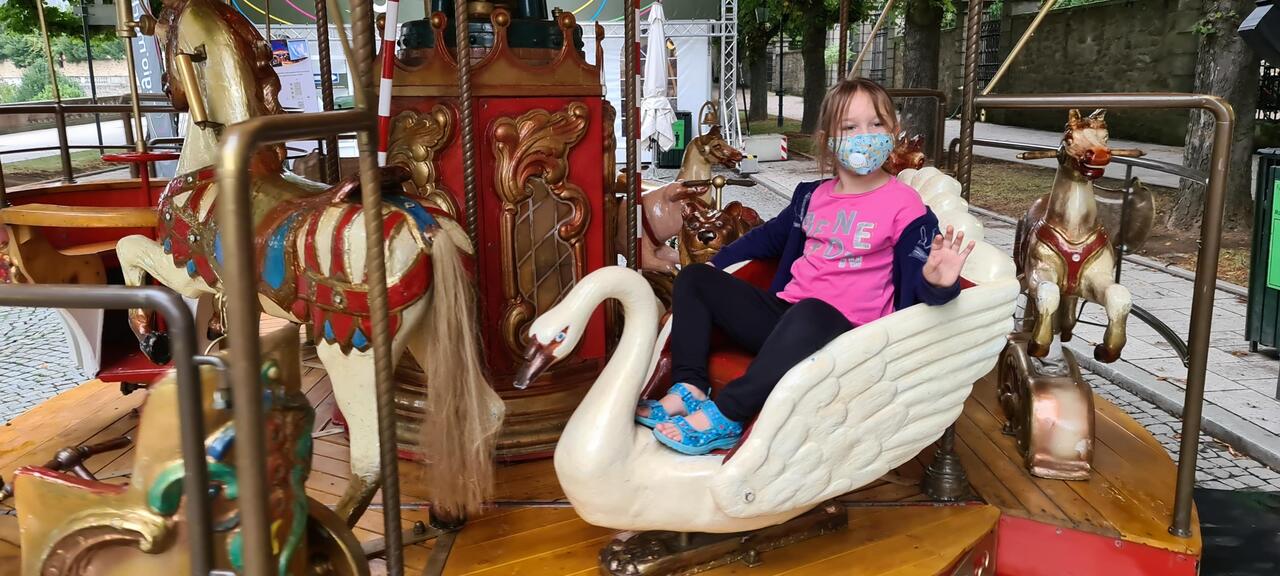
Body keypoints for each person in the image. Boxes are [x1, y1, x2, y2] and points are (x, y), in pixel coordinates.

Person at [635, 78, 976, 455]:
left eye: (876, 124)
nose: (864, 136)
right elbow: (764, 240)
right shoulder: (811, 197)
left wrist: (939, 282)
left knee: (813, 311)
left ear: (892, 131)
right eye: (850, 127)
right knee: (696, 277)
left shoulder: (904, 204)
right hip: (786, 323)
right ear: (829, 139)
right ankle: (690, 387)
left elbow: (921, 277)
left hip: (848, 336)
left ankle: (729, 412)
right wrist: (718, 267)